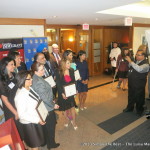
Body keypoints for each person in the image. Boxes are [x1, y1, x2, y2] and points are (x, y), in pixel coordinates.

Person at [31, 62, 60, 149]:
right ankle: (51, 144)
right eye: (42, 69)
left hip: (44, 106)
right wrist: (53, 105)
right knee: (51, 127)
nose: (44, 71)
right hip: (47, 108)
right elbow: (45, 98)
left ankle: (44, 142)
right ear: (35, 71)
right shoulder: (38, 81)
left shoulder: (36, 78)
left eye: (43, 68)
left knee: (45, 127)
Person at [14, 71, 45, 150]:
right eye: (29, 79)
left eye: (31, 78)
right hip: (30, 124)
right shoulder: (20, 95)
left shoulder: (29, 88)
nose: (32, 80)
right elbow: (22, 115)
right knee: (35, 146)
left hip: (35, 120)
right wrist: (37, 120)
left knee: (36, 145)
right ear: (22, 80)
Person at [123, 50, 149, 116]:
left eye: (139, 55)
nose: (136, 56)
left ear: (143, 56)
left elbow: (139, 69)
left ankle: (140, 110)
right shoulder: (135, 61)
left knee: (139, 97)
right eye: (136, 54)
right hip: (132, 82)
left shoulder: (146, 64)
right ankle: (130, 108)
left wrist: (130, 62)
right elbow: (130, 66)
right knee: (131, 96)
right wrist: (129, 62)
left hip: (139, 84)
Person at [55, 59, 78, 130]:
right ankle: (66, 120)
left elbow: (74, 81)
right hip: (62, 92)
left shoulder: (71, 70)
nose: (69, 65)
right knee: (64, 109)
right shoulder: (58, 71)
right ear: (63, 64)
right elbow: (58, 84)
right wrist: (62, 93)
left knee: (72, 107)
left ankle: (74, 122)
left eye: (69, 63)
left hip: (70, 92)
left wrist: (75, 89)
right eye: (67, 63)